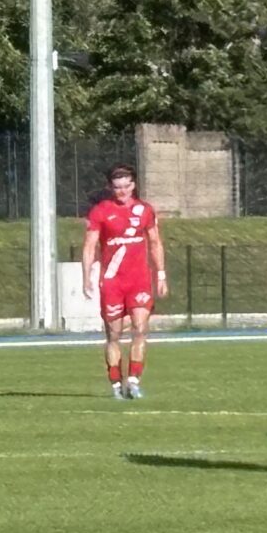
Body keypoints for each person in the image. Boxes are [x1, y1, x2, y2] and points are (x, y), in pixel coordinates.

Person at [82, 163, 168, 398]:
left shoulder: (145, 210)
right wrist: (86, 276)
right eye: (117, 187)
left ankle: (134, 380)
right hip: (112, 282)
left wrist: (161, 274)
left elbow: (155, 242)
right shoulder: (100, 211)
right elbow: (90, 245)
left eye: (126, 186)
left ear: (133, 185)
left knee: (140, 329)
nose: (122, 191)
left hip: (139, 280)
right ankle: (116, 384)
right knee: (114, 334)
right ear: (111, 188)